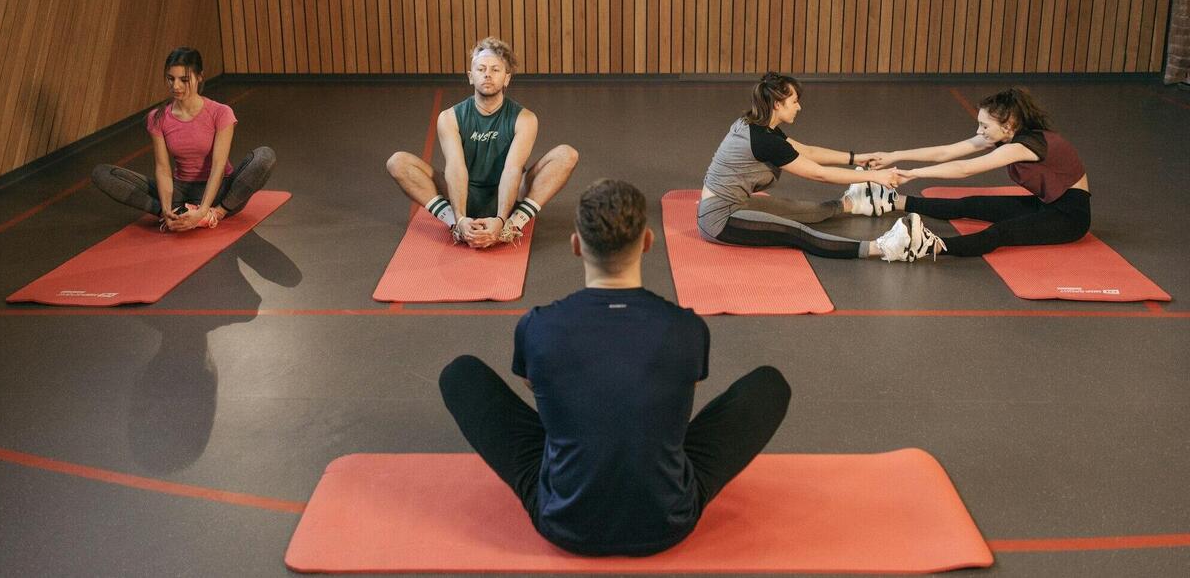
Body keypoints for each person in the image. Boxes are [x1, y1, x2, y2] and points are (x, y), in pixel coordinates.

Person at [439, 179, 791, 556]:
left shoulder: (538, 325)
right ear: (647, 242)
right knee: (770, 385)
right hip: (668, 521)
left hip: (563, 521)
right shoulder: (686, 326)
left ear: (576, 245)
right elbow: (679, 391)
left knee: (460, 373)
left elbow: (532, 384)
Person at [698, 71, 942, 262]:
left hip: (732, 204)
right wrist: (876, 176)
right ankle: (887, 247)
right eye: (794, 101)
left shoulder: (758, 125)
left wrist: (856, 158)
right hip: (720, 220)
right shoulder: (764, 140)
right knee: (796, 233)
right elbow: (819, 174)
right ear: (777, 104)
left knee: (804, 210)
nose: (799, 107)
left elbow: (808, 151)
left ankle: (855, 203)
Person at [848, 87, 1091, 258]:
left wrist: (913, 173)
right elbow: (946, 152)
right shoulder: (1006, 136)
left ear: (1008, 126)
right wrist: (895, 155)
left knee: (999, 233)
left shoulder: (1023, 147)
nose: (980, 131)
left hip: (1070, 218)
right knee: (970, 204)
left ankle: (930, 246)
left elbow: (964, 169)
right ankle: (892, 201)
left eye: (985, 126)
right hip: (1045, 205)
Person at [386, 37, 578, 247]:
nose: (488, 74)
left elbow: (512, 170)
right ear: (471, 76)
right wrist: (460, 218)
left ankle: (512, 226)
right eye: (481, 69)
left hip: (508, 194)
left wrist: (501, 219)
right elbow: (456, 169)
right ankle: (455, 225)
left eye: (496, 69)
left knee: (566, 154)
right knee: (398, 162)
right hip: (462, 193)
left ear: (506, 78)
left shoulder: (525, 119)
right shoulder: (449, 117)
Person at [91, 47, 275, 231]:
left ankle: (216, 213)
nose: (176, 86)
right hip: (180, 192)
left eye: (184, 80)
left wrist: (204, 210)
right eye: (171, 79)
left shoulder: (221, 112)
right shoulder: (157, 117)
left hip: (220, 193)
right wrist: (164, 209)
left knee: (265, 156)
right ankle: (172, 215)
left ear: (199, 77)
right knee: (102, 173)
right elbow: (162, 168)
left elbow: (218, 165)